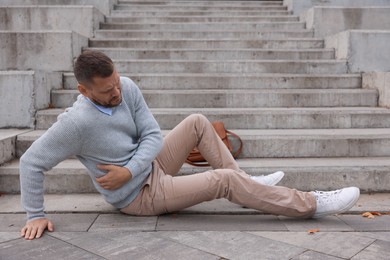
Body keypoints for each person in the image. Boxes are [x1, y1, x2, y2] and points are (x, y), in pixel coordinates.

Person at [19, 50, 360, 240]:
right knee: (223, 181)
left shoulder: (126, 87)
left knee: (197, 121)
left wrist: (130, 169)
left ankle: (246, 185)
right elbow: (31, 163)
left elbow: (153, 136)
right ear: (84, 91)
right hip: (137, 197)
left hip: (145, 169)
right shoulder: (75, 123)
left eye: (117, 84)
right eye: (107, 92)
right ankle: (312, 204)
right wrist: (35, 215)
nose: (117, 94)